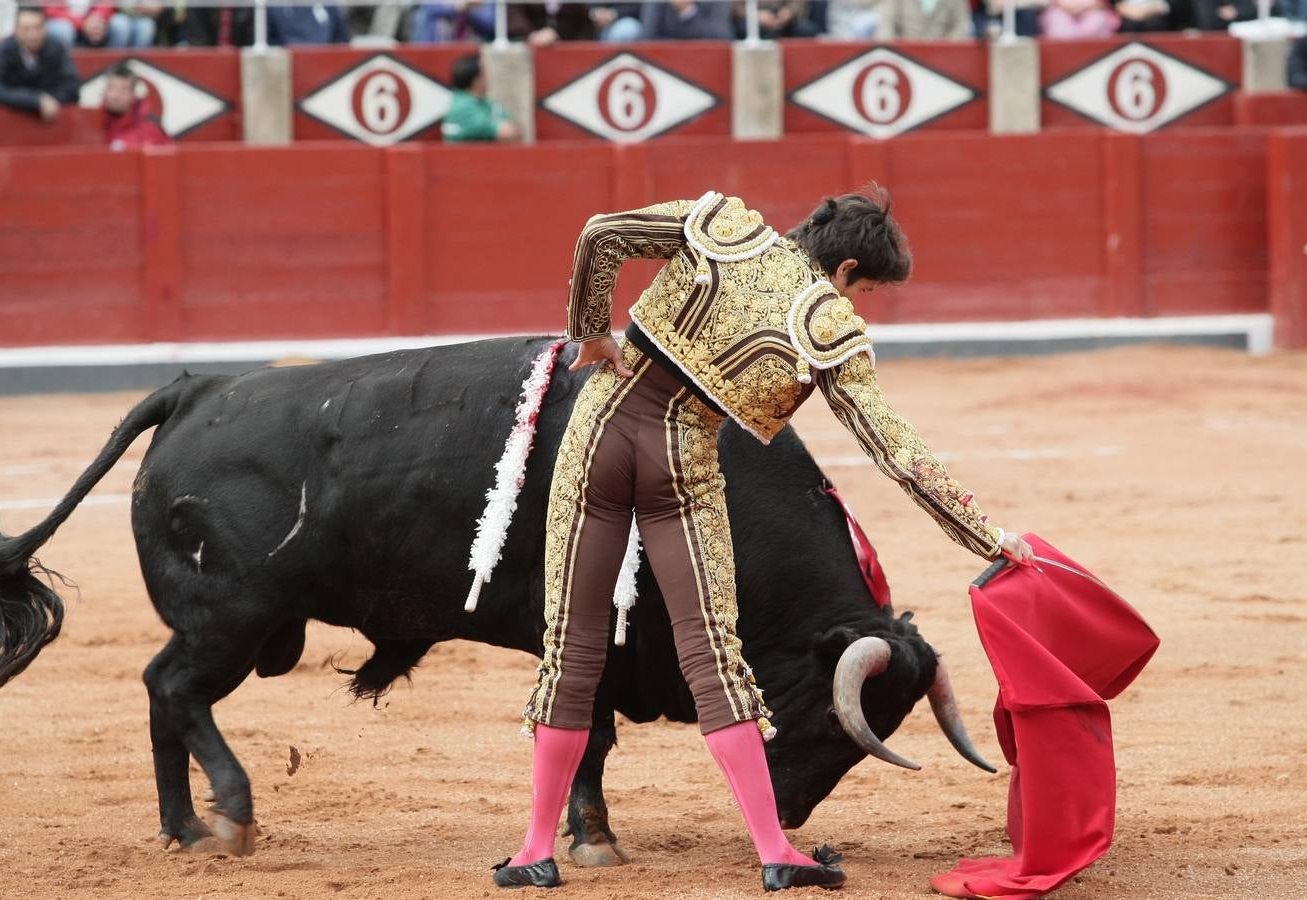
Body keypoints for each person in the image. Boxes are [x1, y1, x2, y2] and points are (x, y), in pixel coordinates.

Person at [491, 189, 1034, 891]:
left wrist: (592, 330)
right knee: (715, 654)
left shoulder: (722, 224)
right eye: (865, 289)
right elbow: (893, 448)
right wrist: (985, 536)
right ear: (843, 269)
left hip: (598, 429)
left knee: (574, 644)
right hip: (681, 461)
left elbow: (602, 232)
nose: (860, 304)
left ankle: (536, 848)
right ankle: (775, 851)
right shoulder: (830, 327)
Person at [0, 6, 79, 123]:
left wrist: (47, 99)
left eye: (37, 27)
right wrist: (34, 100)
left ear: (45, 27)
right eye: (26, 29)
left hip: (49, 124)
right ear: (16, 29)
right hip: (5, 121)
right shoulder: (0, 51)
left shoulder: (56, 48)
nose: (32, 35)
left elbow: (71, 88)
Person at [442, 53, 520, 142]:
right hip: (464, 156)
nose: (488, 78)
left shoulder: (484, 102)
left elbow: (516, 130)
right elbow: (508, 133)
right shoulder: (463, 108)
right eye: (484, 74)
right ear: (476, 80)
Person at [101, 62, 169, 149]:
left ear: (133, 95)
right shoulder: (94, 124)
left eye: (123, 90)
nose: (114, 96)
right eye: (110, 88)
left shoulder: (149, 127)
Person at [875, 0, 974, 38]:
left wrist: (948, 50)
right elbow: (887, 23)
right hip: (906, 54)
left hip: (943, 55)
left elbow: (960, 23)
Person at [641, 0, 735, 39]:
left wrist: (688, 11)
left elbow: (722, 36)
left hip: (704, 58)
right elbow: (649, 36)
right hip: (665, 59)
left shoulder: (715, 3)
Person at [266, 3, 349, 45]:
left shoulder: (329, 7)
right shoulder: (273, 8)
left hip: (325, 62)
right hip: (288, 63)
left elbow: (341, 40)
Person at [43, 1, 115, 48]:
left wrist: (97, 16)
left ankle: (114, 67)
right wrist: (82, 23)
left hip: (95, 20)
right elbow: (51, 9)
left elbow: (107, 2)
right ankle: (66, 66)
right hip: (62, 22)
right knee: (63, 30)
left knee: (120, 24)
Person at [1040, 0, 1119, 37]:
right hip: (1063, 15)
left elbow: (1101, 4)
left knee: (1098, 18)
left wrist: (1082, 9)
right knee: (1056, 18)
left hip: (1091, 14)